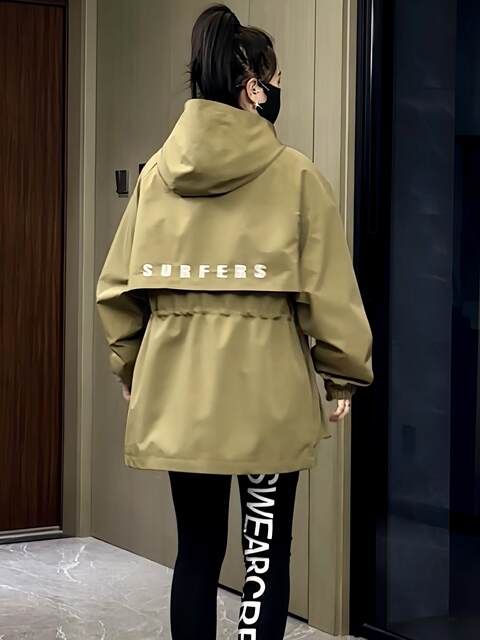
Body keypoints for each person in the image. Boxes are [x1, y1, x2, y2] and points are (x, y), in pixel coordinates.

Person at [95, 4, 374, 638]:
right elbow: (331, 292)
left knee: (196, 550)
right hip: (268, 397)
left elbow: (116, 290)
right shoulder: (297, 177)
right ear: (253, 89)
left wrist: (131, 365)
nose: (276, 92)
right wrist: (341, 376)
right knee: (265, 555)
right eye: (274, 81)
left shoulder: (156, 176)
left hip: (179, 392)